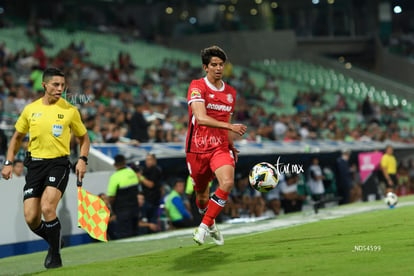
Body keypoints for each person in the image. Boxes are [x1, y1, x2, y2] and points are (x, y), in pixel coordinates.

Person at [1, 67, 90, 269]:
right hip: (35, 165)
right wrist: (8, 162)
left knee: (48, 207)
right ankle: (54, 240)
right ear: (44, 85)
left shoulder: (70, 110)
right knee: (31, 218)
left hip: (58, 163)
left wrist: (83, 159)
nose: (60, 88)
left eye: (62, 85)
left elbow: (84, 138)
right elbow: (16, 137)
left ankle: (55, 255)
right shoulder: (30, 110)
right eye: (56, 85)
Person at [185, 45, 247, 246]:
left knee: (227, 183)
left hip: (219, 147)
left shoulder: (230, 93)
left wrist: (230, 144)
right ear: (206, 67)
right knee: (202, 196)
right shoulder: (197, 86)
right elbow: (201, 118)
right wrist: (230, 125)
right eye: (214, 65)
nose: (219, 68)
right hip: (197, 148)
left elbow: (225, 118)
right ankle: (210, 224)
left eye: (221, 64)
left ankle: (202, 228)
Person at [106, 154, 140, 239]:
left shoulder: (114, 177)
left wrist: (113, 209)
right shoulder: (132, 172)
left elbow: (111, 197)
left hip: (122, 211)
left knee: (125, 236)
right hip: (135, 208)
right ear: (125, 162)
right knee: (135, 233)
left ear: (115, 164)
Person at [136, 152, 162, 230]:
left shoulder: (156, 170)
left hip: (153, 201)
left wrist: (140, 177)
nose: (148, 161)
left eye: (150, 159)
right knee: (145, 222)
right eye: (147, 160)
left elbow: (150, 184)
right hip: (146, 201)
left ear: (154, 161)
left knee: (153, 223)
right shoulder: (144, 170)